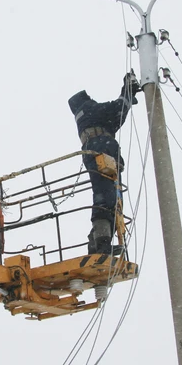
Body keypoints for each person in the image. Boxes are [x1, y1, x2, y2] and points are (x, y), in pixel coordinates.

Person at [68, 72, 141, 254]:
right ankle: (100, 243)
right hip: (101, 148)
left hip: (97, 149)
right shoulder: (88, 109)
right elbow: (116, 111)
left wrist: (127, 96)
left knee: (108, 196)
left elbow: (115, 116)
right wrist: (127, 93)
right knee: (107, 196)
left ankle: (100, 240)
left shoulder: (87, 117)